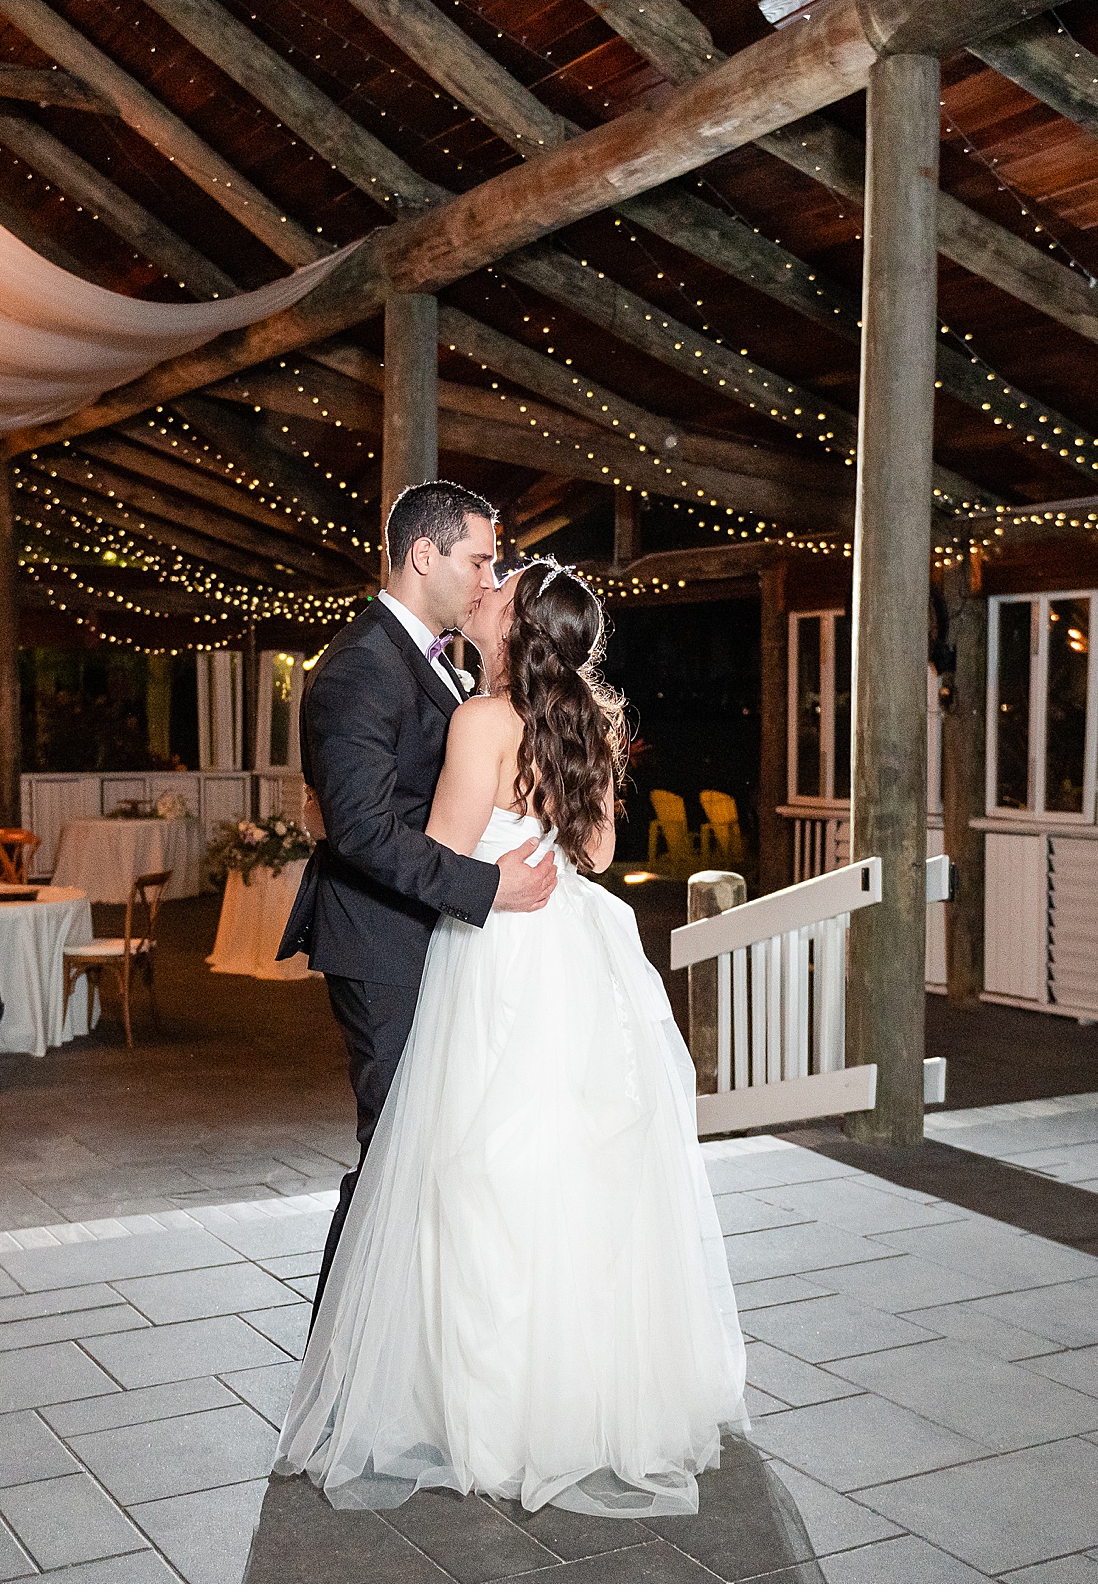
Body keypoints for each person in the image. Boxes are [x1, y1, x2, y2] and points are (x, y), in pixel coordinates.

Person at [275, 555, 748, 1518]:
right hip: (574, 947)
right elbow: (602, 851)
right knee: (572, 1166)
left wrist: (338, 813)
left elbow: (445, 848)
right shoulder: (585, 721)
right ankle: (577, 1399)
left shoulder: (481, 720)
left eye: (500, 588)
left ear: (517, 626)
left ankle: (479, 1407)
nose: (484, 590)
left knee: (472, 1165)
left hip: (494, 954)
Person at [276, 481, 560, 1324]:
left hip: (421, 935)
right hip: (380, 944)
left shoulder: (434, 665)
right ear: (423, 555)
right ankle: (340, 1366)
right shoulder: (360, 665)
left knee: (431, 1154)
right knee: (395, 1154)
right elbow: (361, 830)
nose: (488, 575)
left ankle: (405, 1353)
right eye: (479, 558)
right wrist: (488, 885)